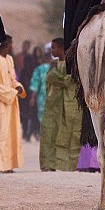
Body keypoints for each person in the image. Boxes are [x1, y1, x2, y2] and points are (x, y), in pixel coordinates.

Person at [38, 38, 82, 172]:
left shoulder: (73, 64)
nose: (52, 51)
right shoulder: (54, 64)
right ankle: (48, 163)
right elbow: (51, 79)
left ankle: (68, 164)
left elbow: (68, 80)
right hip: (53, 105)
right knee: (49, 133)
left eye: (54, 48)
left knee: (71, 134)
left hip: (70, 104)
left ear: (62, 48)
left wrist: (56, 76)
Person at [0, 36, 25, 173]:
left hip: (11, 102)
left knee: (11, 133)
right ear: (6, 45)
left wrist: (18, 86)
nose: (11, 47)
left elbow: (12, 79)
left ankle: (8, 165)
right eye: (10, 44)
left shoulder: (9, 59)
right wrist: (9, 91)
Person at [27, 42, 52, 141]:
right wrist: (32, 98)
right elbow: (35, 84)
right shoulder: (44, 68)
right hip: (45, 96)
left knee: (43, 115)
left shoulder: (41, 69)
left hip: (43, 96)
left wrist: (33, 98)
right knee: (45, 115)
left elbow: (34, 84)